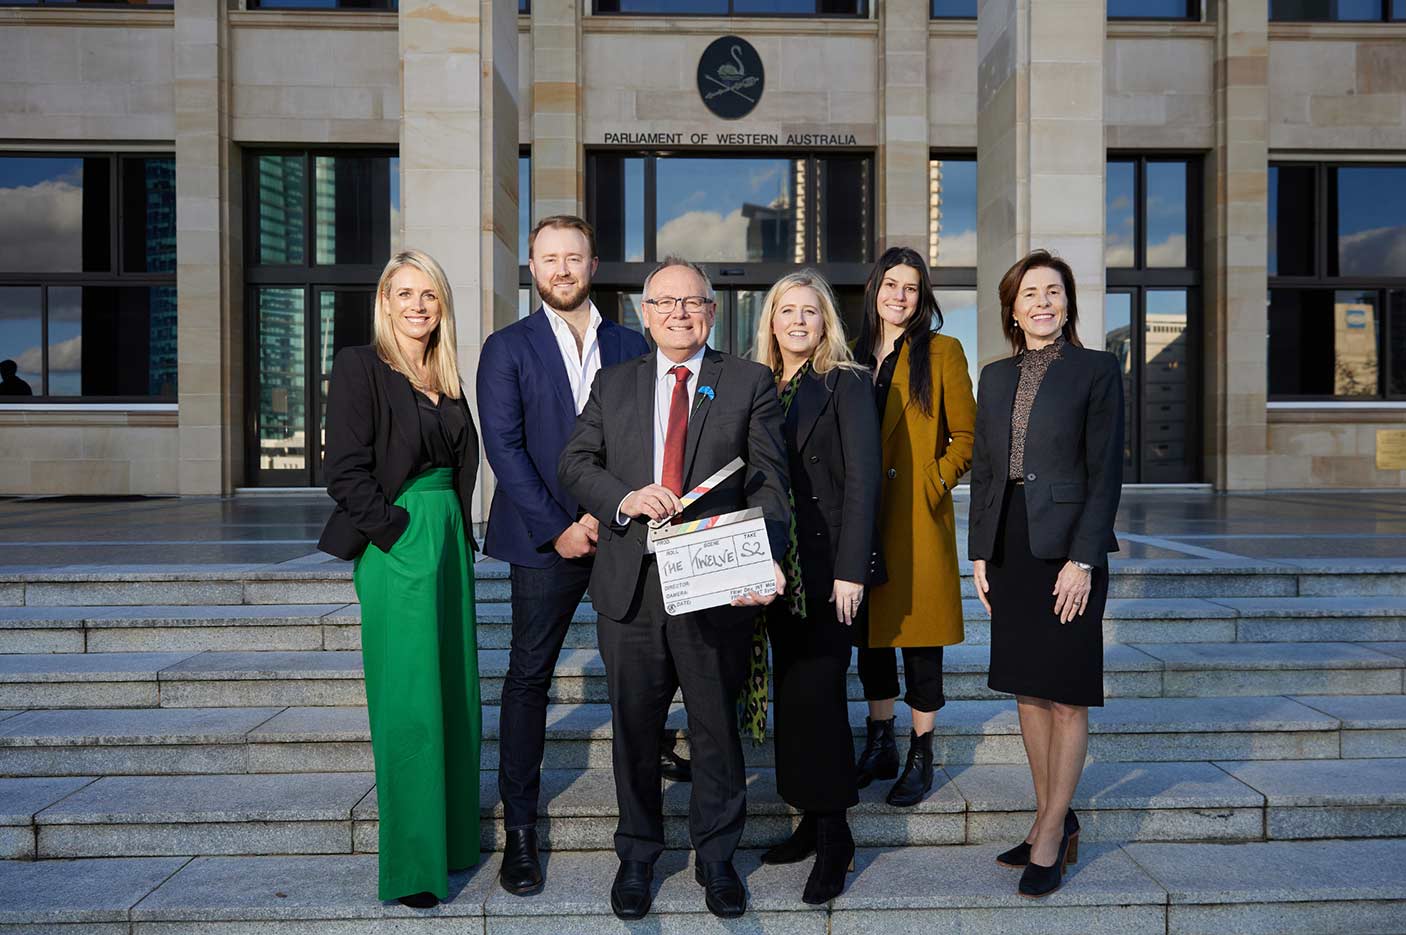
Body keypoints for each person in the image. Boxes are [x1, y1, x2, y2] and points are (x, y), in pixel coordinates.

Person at [559, 256, 789, 922]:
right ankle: (637, 854)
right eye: (665, 303)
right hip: (630, 588)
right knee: (635, 729)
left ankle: (717, 858)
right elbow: (575, 462)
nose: (679, 313)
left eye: (692, 302)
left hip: (716, 586)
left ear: (712, 312)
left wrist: (764, 556)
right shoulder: (614, 383)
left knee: (716, 728)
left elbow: (771, 483)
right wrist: (625, 496)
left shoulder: (749, 382)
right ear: (644, 312)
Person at [476, 215, 656, 897]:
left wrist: (605, 512)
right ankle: (520, 835)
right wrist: (558, 528)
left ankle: (639, 834)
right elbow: (506, 450)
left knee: (635, 680)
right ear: (531, 266)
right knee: (528, 678)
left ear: (594, 262)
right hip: (542, 540)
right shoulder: (506, 347)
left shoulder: (632, 341)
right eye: (548, 258)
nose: (561, 268)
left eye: (573, 257)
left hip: (621, 534)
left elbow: (644, 439)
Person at [318, 250, 481, 909]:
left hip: (448, 544)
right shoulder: (362, 366)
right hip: (403, 542)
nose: (418, 305)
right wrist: (398, 532)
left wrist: (450, 538)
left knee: (456, 697)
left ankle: (454, 842)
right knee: (410, 705)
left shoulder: (444, 374)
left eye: (430, 295)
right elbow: (344, 470)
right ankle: (413, 866)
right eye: (405, 293)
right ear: (384, 301)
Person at [968, 249, 1123, 899]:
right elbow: (984, 468)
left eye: (1053, 292)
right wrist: (978, 552)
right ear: (1012, 306)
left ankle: (1054, 833)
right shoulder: (996, 375)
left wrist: (1083, 559)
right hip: (1008, 546)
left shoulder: (1097, 370)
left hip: (1067, 548)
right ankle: (1046, 816)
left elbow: (1106, 469)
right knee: (1028, 691)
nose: (1041, 302)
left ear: (1068, 303)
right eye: (1029, 292)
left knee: (1065, 693)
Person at [750, 270, 881, 905]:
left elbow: (864, 481)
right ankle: (808, 817)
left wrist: (853, 568)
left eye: (811, 311)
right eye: (787, 311)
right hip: (772, 570)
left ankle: (837, 839)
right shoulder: (757, 385)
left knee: (821, 697)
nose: (799, 321)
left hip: (829, 571)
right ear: (770, 321)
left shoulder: (847, 383)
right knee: (794, 697)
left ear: (826, 321)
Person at [851, 246, 975, 808]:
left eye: (911, 287)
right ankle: (880, 741)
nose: (899, 295)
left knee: (919, 639)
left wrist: (932, 482)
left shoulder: (942, 351)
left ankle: (921, 750)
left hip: (915, 519)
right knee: (869, 634)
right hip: (859, 515)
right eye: (891, 284)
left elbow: (968, 439)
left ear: (923, 297)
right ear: (875, 287)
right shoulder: (849, 353)